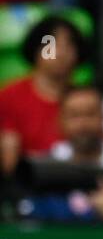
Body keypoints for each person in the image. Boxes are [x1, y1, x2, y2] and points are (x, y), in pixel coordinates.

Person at [14, 85, 103, 223]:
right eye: (74, 116)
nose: (83, 124)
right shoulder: (42, 171)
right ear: (60, 121)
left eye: (90, 114)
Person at [0, 15, 87, 176]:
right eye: (52, 45)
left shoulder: (85, 100)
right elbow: (9, 164)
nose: (61, 54)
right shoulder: (9, 97)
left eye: (69, 45)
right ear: (36, 49)